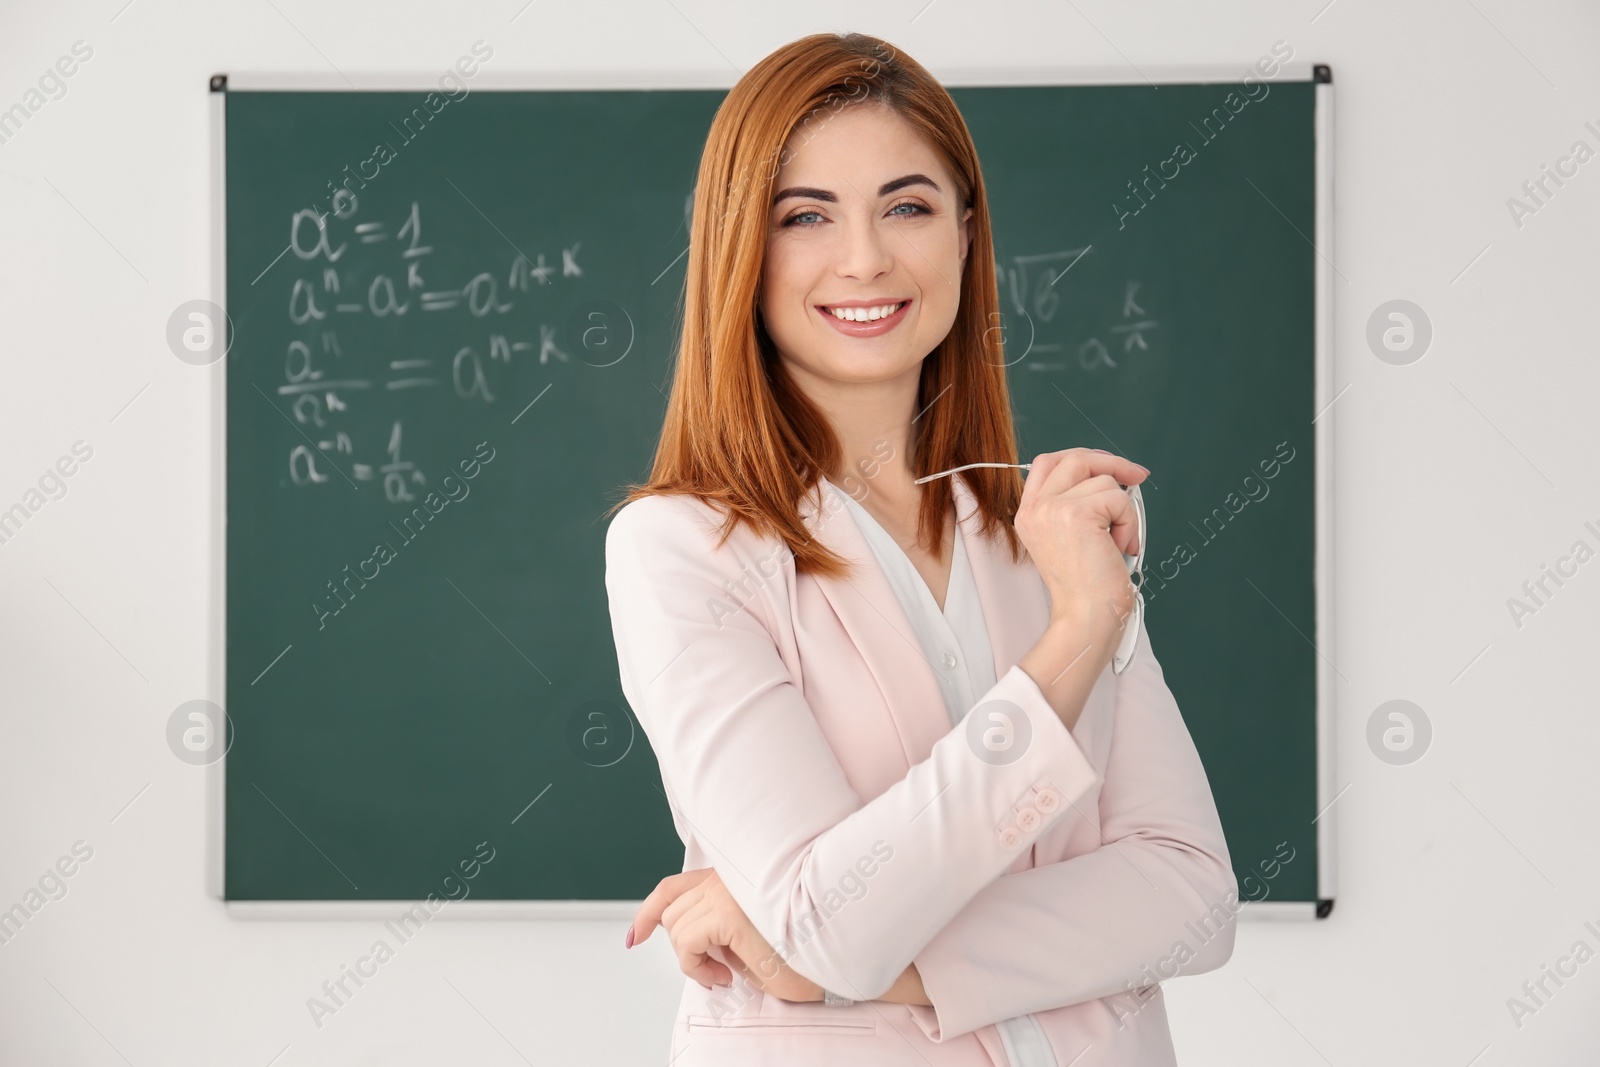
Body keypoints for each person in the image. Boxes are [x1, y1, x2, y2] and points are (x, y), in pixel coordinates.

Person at [604, 31, 1237, 1067]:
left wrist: (858, 964)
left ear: (963, 232)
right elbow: (835, 915)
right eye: (804, 216)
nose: (864, 258)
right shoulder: (682, 549)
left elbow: (1189, 894)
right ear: (739, 249)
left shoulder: (1046, 529)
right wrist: (1078, 633)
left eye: (907, 205)